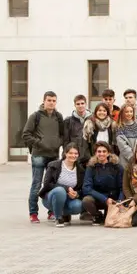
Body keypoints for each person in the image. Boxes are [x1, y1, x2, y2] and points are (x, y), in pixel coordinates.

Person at [23, 91, 64, 223]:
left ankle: (51, 211)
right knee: (36, 184)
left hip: (53, 156)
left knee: (52, 185)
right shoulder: (35, 116)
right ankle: (33, 213)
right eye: (49, 100)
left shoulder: (58, 116)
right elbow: (26, 134)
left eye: (53, 100)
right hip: (38, 156)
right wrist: (40, 143)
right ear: (44, 101)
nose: (51, 103)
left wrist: (58, 143)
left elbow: (63, 135)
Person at [39, 143, 84, 227]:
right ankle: (58, 217)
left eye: (75, 153)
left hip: (68, 199)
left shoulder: (80, 170)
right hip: (51, 197)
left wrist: (76, 194)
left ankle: (64, 214)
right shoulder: (53, 165)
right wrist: (66, 188)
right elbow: (47, 184)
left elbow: (81, 188)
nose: (73, 155)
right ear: (65, 153)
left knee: (79, 205)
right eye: (70, 153)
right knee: (60, 190)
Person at [82, 142, 124, 225]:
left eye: (104, 151)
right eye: (99, 151)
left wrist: (120, 201)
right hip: (99, 198)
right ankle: (97, 215)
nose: (102, 154)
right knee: (86, 200)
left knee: (109, 219)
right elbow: (87, 188)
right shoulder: (91, 167)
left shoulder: (117, 167)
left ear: (108, 153)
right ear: (95, 153)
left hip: (114, 199)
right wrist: (105, 199)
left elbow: (122, 187)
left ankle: (109, 213)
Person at [62, 94, 90, 163]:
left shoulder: (92, 119)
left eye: (82, 103)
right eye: (78, 104)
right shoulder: (68, 121)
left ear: (86, 104)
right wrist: (66, 155)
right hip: (74, 156)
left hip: (89, 157)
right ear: (75, 105)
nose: (80, 106)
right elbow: (65, 141)